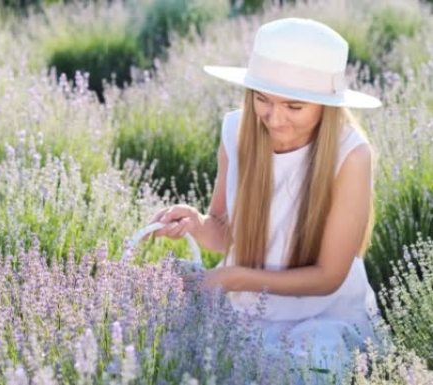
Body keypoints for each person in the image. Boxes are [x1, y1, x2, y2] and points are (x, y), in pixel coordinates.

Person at [147, 18, 382, 381]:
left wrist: (233, 278)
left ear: (326, 105)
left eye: (294, 106)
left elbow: (327, 277)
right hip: (248, 311)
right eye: (263, 99)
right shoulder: (237, 131)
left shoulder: (350, 155)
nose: (275, 118)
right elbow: (226, 233)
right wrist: (196, 224)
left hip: (321, 316)